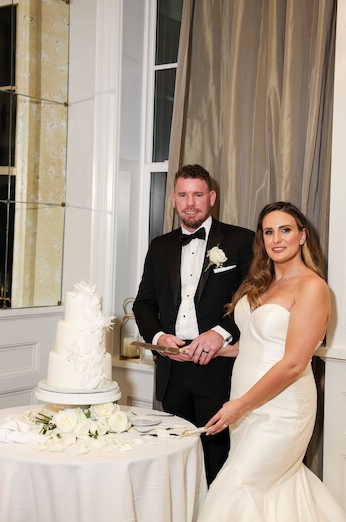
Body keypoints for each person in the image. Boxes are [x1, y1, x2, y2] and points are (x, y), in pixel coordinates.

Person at [198, 201, 346, 521]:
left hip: (282, 410)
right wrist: (213, 350)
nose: (277, 239)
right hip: (245, 402)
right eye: (269, 232)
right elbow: (256, 343)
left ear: (302, 236)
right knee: (273, 490)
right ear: (262, 239)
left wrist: (240, 405)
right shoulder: (262, 283)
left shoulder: (313, 287)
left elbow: (293, 363)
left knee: (236, 486)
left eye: (285, 230)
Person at [133, 164, 254, 485]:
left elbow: (254, 298)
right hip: (173, 369)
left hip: (220, 368)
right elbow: (143, 303)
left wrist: (220, 333)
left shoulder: (242, 241)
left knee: (218, 455)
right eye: (184, 195)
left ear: (211, 197)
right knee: (175, 455)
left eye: (198, 194)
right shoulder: (160, 246)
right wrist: (160, 337)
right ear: (173, 199)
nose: (190, 202)